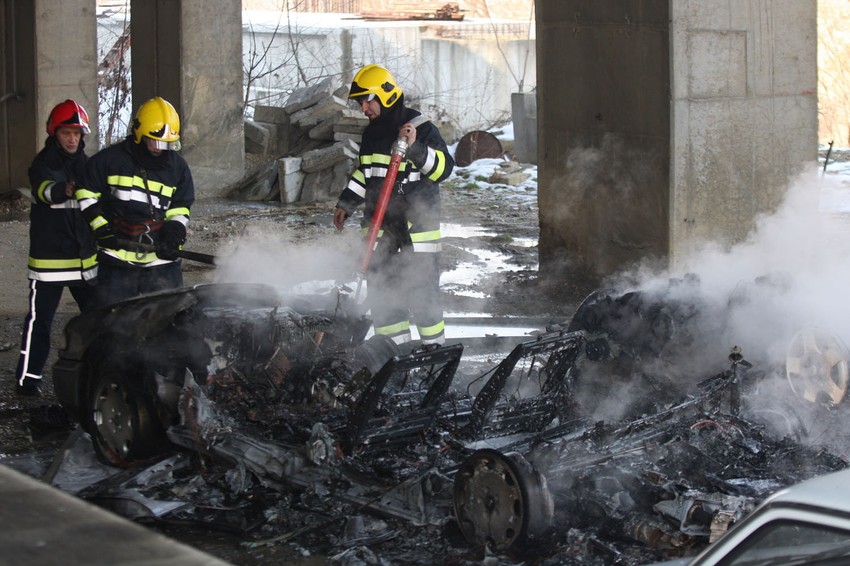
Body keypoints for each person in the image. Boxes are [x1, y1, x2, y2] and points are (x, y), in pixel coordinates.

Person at [333, 64, 455, 346]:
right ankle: (392, 358)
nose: (363, 108)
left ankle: (434, 359)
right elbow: (366, 173)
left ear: (385, 95)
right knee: (383, 296)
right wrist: (346, 203)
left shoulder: (422, 129)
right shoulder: (372, 134)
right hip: (380, 228)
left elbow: (443, 170)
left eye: (367, 100)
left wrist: (415, 148)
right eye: (359, 102)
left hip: (418, 232)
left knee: (422, 296)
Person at [77, 96, 194, 307]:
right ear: (139, 134)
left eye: (166, 144)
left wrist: (174, 234)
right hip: (117, 260)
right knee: (113, 324)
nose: (160, 149)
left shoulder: (178, 168)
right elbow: (86, 193)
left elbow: (180, 207)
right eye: (155, 141)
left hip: (161, 261)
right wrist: (101, 229)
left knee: (168, 321)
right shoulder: (109, 161)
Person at [15, 99, 98, 396]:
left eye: (76, 133)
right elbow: (43, 191)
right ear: (55, 133)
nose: (73, 138)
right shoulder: (42, 165)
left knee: (100, 319)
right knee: (40, 323)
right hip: (49, 264)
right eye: (66, 133)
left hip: (84, 263)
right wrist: (62, 189)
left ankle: (99, 374)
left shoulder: (90, 166)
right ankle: (28, 381)